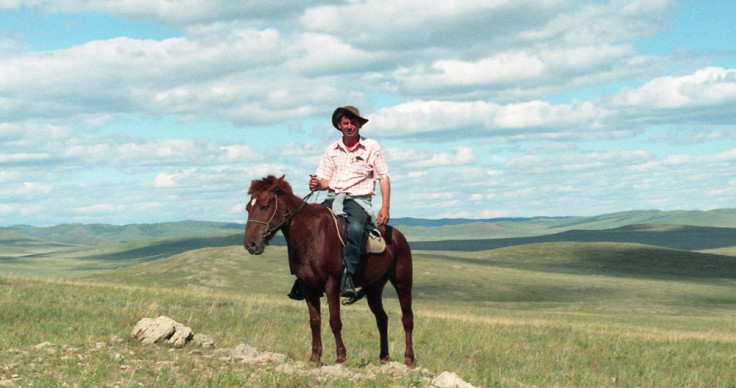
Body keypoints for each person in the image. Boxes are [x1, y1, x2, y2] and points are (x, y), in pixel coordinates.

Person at [288, 105, 390, 301]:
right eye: (346, 123)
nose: (350, 126)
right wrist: (317, 184)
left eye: (353, 122)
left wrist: (385, 206)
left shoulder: (372, 147)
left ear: (359, 124)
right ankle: (303, 277)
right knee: (308, 226)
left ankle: (349, 277)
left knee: (355, 228)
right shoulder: (331, 150)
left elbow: (383, 177)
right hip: (333, 197)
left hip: (358, 200)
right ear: (339, 125)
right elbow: (325, 181)